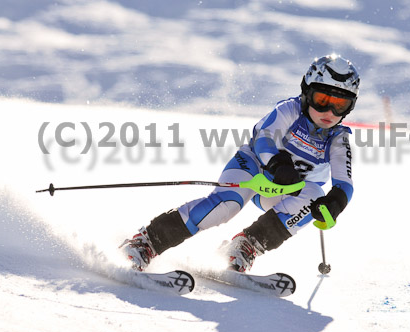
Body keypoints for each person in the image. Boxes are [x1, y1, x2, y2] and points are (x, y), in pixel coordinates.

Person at [120, 54, 360, 272]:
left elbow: (344, 183)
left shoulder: (338, 139)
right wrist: (277, 164)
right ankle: (146, 241)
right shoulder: (290, 110)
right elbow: (263, 137)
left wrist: (334, 203)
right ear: (307, 93)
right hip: (253, 169)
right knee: (226, 206)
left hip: (285, 192)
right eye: (322, 99)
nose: (329, 110)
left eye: (340, 105)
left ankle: (245, 247)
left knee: (314, 194)